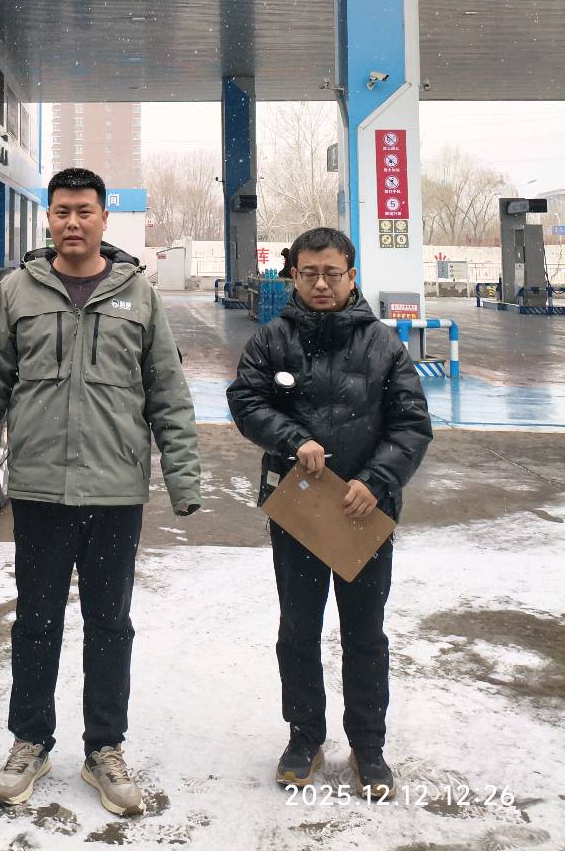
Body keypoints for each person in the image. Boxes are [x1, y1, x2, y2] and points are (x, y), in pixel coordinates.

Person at [0, 167, 202, 817]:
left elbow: (168, 393)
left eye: (84, 211)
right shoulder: (17, 292)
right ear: (49, 218)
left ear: (103, 219)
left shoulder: (138, 295)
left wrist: (183, 479)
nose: (72, 222)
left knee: (109, 625)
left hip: (116, 492)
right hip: (40, 490)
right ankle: (30, 741)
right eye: (61, 211)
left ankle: (104, 750)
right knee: (35, 622)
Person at [226, 226, 432, 802]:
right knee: (298, 628)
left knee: (365, 633)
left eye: (332, 274)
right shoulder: (271, 340)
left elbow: (411, 424)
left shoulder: (383, 345)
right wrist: (293, 439)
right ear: (293, 276)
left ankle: (369, 747)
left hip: (364, 511)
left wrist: (377, 480)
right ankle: (304, 738)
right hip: (299, 510)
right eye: (309, 273)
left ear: (351, 275)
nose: (321, 284)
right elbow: (246, 400)